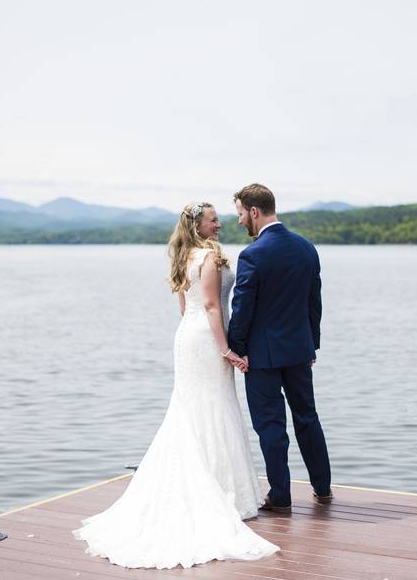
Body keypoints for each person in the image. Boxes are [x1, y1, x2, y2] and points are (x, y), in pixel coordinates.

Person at [73, 202, 279, 569]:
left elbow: (187, 309)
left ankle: (209, 484)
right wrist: (227, 349)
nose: (220, 224)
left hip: (188, 336)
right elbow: (215, 307)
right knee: (214, 408)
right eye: (214, 220)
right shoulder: (211, 260)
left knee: (192, 409)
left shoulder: (183, 257)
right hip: (208, 339)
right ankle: (220, 493)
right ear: (199, 225)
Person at [228, 183, 332, 513]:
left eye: (241, 214)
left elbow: (242, 308)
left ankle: (281, 495)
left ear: (254, 212)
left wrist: (237, 348)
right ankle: (323, 488)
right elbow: (314, 303)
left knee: (271, 426)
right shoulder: (306, 248)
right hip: (299, 351)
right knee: (307, 418)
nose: (241, 221)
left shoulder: (252, 255)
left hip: (262, 357)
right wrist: (311, 345)